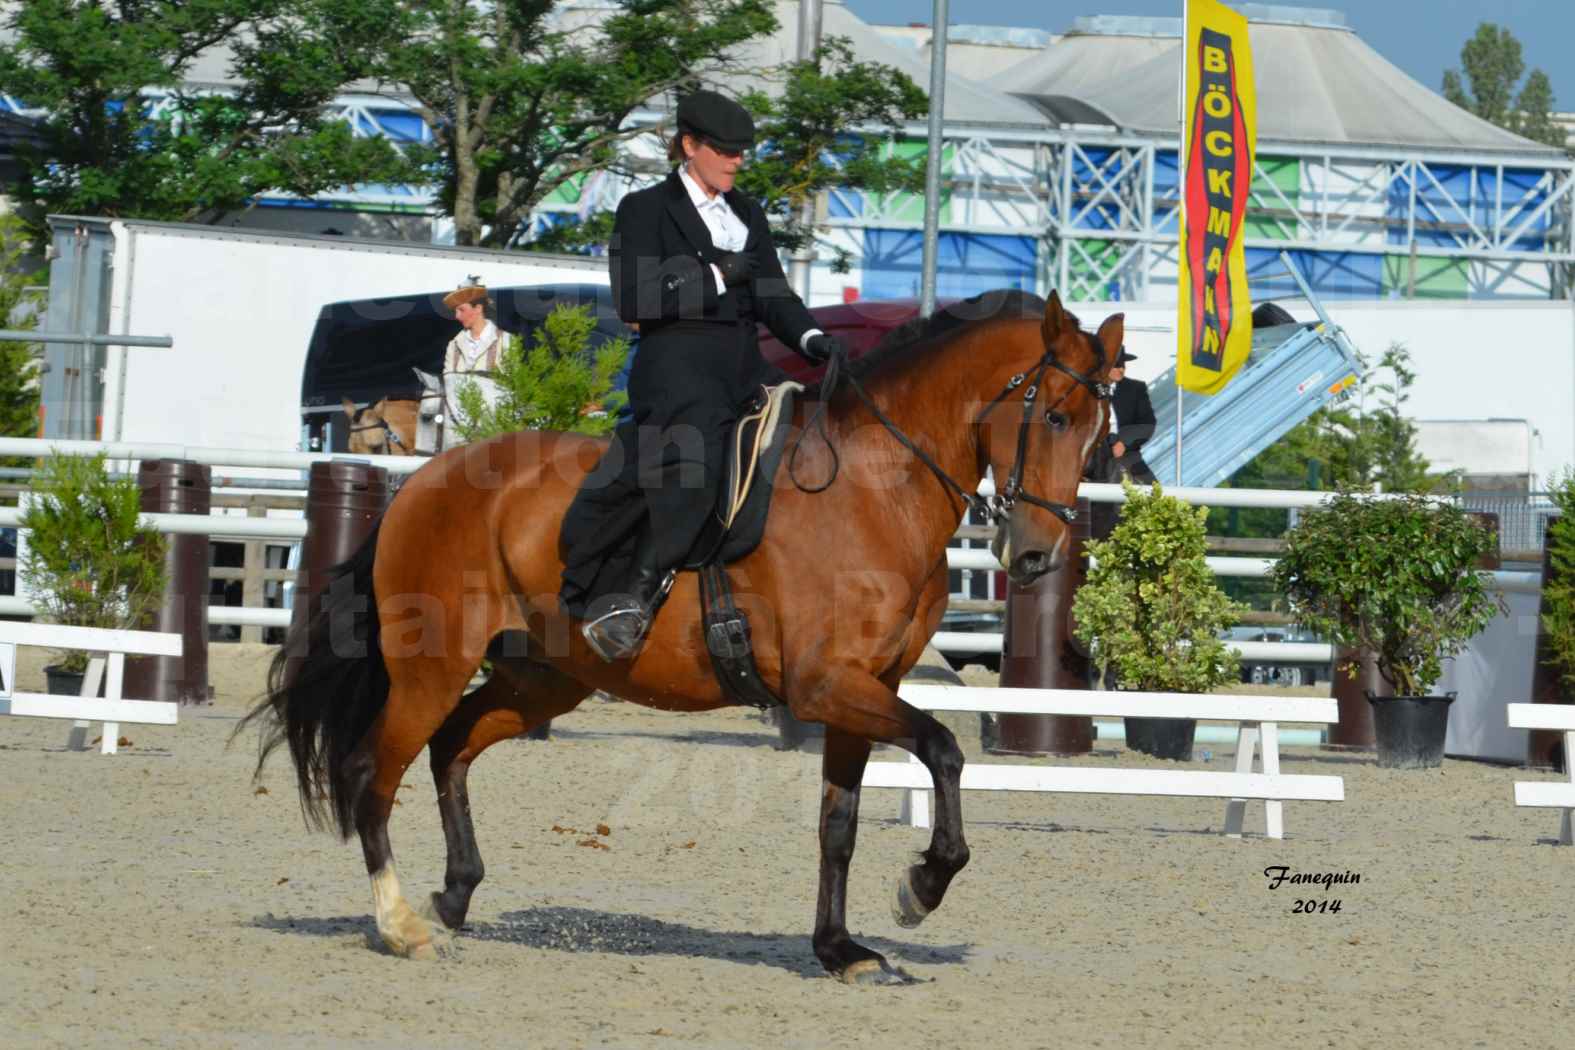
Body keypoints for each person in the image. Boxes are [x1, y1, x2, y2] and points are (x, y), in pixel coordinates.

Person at [561, 89, 844, 661]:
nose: (738, 162)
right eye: (726, 152)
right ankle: (633, 597)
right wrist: (715, 275)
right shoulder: (644, 209)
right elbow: (634, 298)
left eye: (743, 153)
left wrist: (813, 339)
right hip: (677, 362)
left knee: (813, 432)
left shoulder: (747, 213)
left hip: (744, 363)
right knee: (701, 454)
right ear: (689, 146)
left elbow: (774, 295)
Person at [440, 278, 503, 446]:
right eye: (455, 311)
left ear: (478, 308)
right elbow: (449, 390)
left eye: (461, 310)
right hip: (459, 436)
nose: (457, 316)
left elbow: (511, 391)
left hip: (495, 433)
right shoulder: (453, 346)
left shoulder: (506, 341)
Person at [1105, 348, 1157, 484]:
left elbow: (1148, 424)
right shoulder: (1087, 389)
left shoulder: (1135, 388)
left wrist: (1124, 442)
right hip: (1092, 457)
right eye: (1117, 365)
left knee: (1154, 494)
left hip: (1128, 456)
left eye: (1123, 365)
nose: (1121, 369)